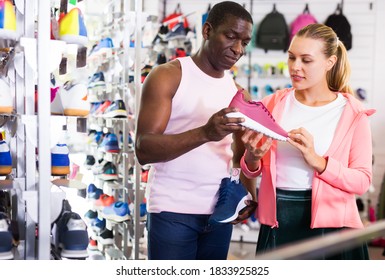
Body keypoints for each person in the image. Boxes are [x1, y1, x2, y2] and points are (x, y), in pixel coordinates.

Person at [238, 23, 375, 259]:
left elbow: (362, 181)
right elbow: (252, 172)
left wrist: (319, 162)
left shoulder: (352, 112)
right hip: (278, 222)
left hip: (334, 229)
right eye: (291, 58)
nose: (295, 67)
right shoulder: (273, 104)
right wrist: (251, 157)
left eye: (306, 60)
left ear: (329, 63)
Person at [135, 1, 256, 260]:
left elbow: (238, 157)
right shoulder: (168, 76)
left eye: (244, 42)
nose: (237, 49)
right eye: (231, 36)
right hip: (171, 211)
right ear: (207, 30)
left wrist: (247, 194)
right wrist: (205, 133)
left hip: (219, 214)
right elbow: (144, 150)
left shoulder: (238, 93)